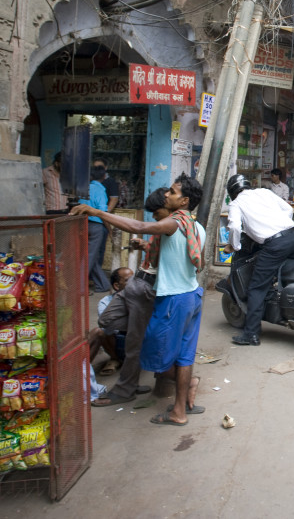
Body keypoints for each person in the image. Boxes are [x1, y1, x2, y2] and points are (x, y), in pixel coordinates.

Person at [72, 174, 207, 426]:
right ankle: (178, 411)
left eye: (173, 192)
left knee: (153, 355)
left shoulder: (174, 223)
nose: (167, 195)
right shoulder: (195, 227)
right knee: (184, 357)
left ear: (184, 200)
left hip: (173, 300)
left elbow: (140, 227)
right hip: (192, 295)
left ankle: (183, 389)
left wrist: (97, 212)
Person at [90, 187, 169, 407]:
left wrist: (97, 212)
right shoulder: (162, 228)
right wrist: (145, 246)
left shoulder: (168, 227)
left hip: (144, 290)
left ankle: (125, 389)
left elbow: (138, 227)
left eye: (156, 212)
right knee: (106, 321)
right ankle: (131, 378)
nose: (154, 216)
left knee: (134, 343)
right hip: (136, 286)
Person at [226, 173, 294, 345]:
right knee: (287, 276)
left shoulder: (236, 203)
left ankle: (251, 334)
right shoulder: (264, 192)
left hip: (275, 245)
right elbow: (288, 209)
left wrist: (235, 246)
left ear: (232, 192)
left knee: (256, 287)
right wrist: (280, 227)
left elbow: (234, 227)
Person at [89, 267, 133, 374]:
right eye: (128, 280)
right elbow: (107, 326)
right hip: (116, 345)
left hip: (135, 347)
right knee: (98, 332)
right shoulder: (105, 302)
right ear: (117, 286)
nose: (133, 283)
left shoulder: (141, 299)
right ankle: (80, 369)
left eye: (134, 279)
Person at [80, 164, 111, 292]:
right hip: (96, 225)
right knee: (90, 257)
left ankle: (103, 284)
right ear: (104, 176)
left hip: (82, 223)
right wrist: (110, 229)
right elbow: (103, 213)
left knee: (88, 256)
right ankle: (80, 288)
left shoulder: (85, 188)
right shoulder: (100, 190)